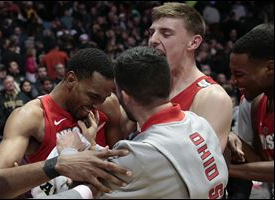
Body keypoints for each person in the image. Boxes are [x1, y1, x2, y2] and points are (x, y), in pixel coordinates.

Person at [55, 46, 229, 198]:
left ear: (125, 96)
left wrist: (68, 154)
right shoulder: (199, 123)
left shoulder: (139, 154)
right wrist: (92, 145)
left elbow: (75, 194)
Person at [0, 48, 132, 199]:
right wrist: (58, 164)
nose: (98, 105)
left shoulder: (108, 103)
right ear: (71, 79)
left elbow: (119, 163)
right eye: (93, 96)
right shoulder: (31, 116)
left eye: (104, 97)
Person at [148, 2, 232, 152]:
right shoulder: (147, 88)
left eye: (166, 33)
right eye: (151, 33)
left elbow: (202, 166)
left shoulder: (212, 97)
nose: (153, 40)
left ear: (193, 42)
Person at [228, 23, 274, 198]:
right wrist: (227, 134)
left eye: (239, 75)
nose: (233, 81)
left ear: (269, 68)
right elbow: (261, 165)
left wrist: (227, 169)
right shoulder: (252, 104)